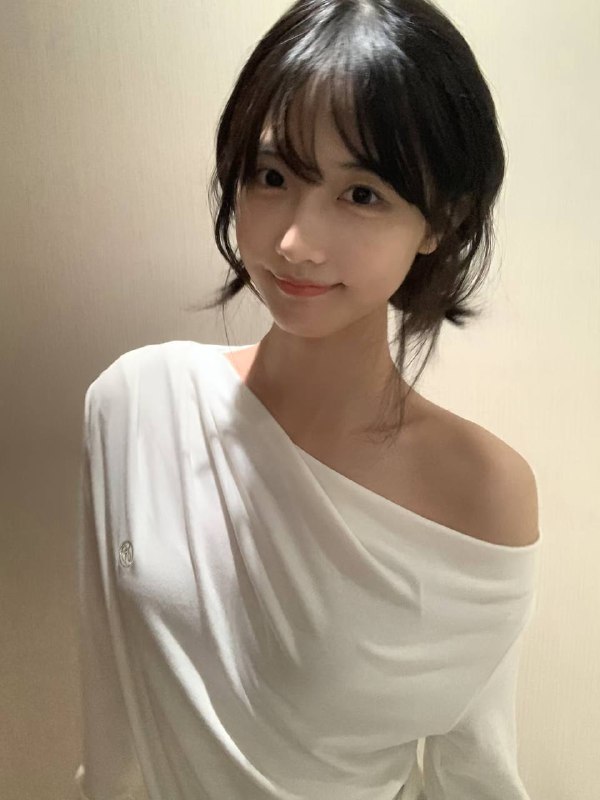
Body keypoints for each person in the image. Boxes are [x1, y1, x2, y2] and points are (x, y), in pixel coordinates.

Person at [74, 1, 542, 798]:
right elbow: (110, 714)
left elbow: (474, 771)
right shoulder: (135, 404)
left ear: (442, 220)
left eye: (362, 194)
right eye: (273, 177)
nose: (295, 242)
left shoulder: (480, 491)